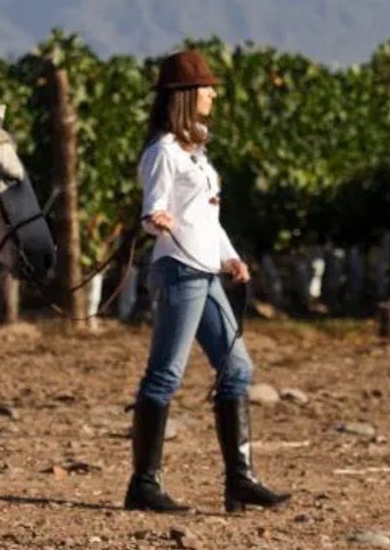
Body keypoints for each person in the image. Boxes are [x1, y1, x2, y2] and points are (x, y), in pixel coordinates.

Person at [124, 48, 291, 514]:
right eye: (206, 87)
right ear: (185, 95)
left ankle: (240, 481)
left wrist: (230, 257)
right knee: (165, 374)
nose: (213, 93)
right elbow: (152, 211)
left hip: (205, 270)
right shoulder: (162, 153)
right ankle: (144, 484)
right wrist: (156, 221)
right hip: (179, 270)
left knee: (237, 369)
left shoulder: (194, 154)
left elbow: (206, 219)